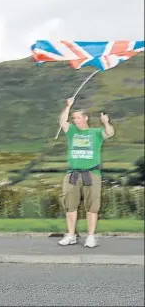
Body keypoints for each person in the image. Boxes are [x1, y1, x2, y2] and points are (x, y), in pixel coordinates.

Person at [57, 98, 115, 248]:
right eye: (74, 118)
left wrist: (106, 122)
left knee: (92, 206)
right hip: (73, 174)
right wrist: (68, 106)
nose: (75, 120)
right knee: (70, 206)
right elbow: (62, 122)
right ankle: (71, 235)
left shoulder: (95, 133)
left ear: (85, 118)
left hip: (92, 174)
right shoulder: (72, 132)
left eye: (78, 117)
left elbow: (110, 133)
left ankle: (90, 236)